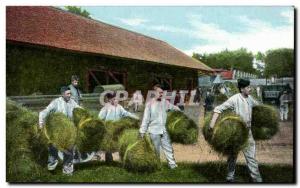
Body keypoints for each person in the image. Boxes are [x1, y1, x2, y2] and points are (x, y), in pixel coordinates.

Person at [209, 78, 262, 183]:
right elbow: (218, 109)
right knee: (233, 156)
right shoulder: (234, 99)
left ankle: (257, 180)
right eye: (248, 87)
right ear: (242, 89)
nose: (250, 89)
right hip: (237, 133)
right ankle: (229, 177)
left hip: (248, 132)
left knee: (251, 157)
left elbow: (259, 107)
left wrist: (259, 96)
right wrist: (211, 124)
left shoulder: (250, 98)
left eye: (249, 87)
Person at [39, 86, 93, 175]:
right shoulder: (56, 102)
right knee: (53, 150)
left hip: (69, 131)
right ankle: (51, 167)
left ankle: (67, 171)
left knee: (69, 151)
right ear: (62, 94)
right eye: (67, 94)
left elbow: (79, 109)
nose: (69, 95)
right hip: (56, 131)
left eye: (70, 93)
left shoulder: (72, 102)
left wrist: (87, 115)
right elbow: (44, 112)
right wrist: (41, 123)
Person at [139, 84, 180, 169]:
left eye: (162, 93)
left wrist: (179, 110)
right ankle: (156, 165)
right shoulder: (149, 104)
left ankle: (172, 165)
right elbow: (145, 119)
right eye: (160, 92)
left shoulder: (165, 102)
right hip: (154, 131)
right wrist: (142, 131)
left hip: (164, 130)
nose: (161, 94)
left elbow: (173, 107)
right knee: (155, 150)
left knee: (168, 148)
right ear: (154, 93)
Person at [98, 92, 139, 162]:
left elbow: (126, 113)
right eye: (113, 99)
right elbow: (100, 117)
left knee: (120, 143)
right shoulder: (106, 108)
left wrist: (135, 117)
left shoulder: (119, 107)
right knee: (109, 145)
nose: (116, 101)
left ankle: (122, 159)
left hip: (118, 128)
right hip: (109, 128)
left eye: (116, 99)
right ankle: (109, 161)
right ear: (109, 100)